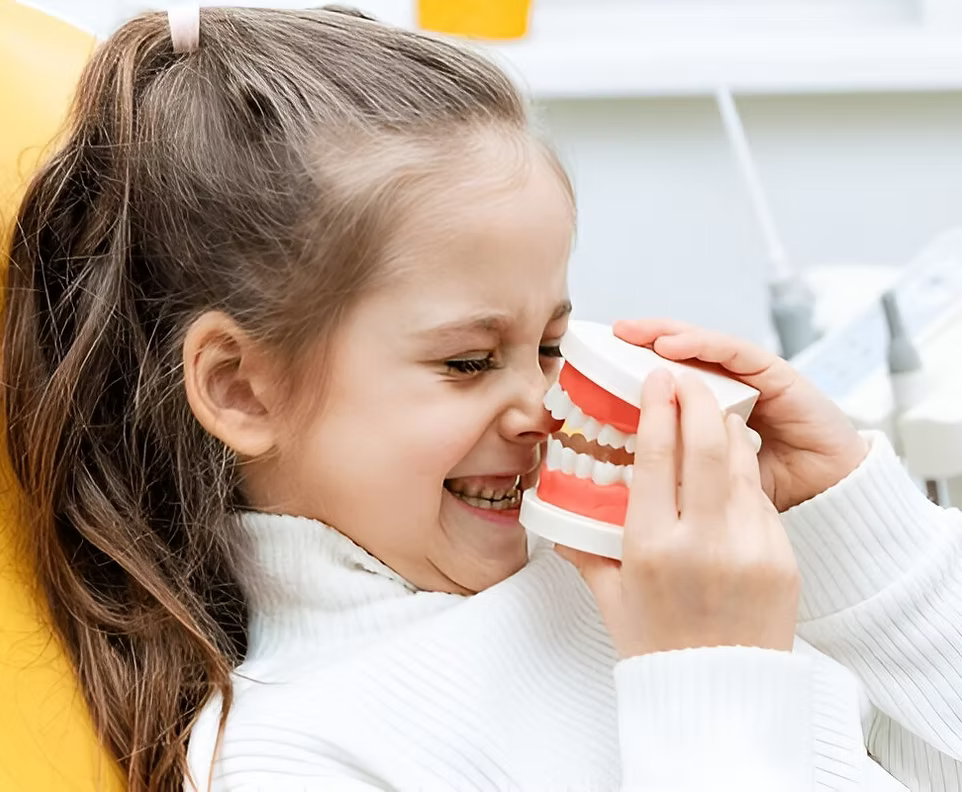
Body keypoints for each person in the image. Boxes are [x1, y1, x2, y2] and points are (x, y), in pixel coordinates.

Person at [3, 7, 961, 792]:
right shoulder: (304, 753)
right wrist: (713, 680)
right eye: (468, 361)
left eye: (548, 345)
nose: (541, 405)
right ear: (240, 388)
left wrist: (855, 537)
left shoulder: (611, 582)